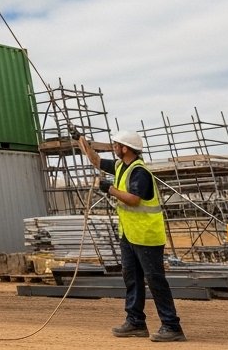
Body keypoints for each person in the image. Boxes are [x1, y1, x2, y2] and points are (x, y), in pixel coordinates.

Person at [78, 129, 187, 342]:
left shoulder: (140, 172)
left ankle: (172, 325)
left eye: (116, 145)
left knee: (155, 280)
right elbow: (97, 161)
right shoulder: (121, 166)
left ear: (125, 148)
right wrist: (80, 140)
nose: (114, 148)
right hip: (129, 235)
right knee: (132, 278)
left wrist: (110, 190)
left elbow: (134, 199)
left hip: (146, 236)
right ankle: (135, 322)